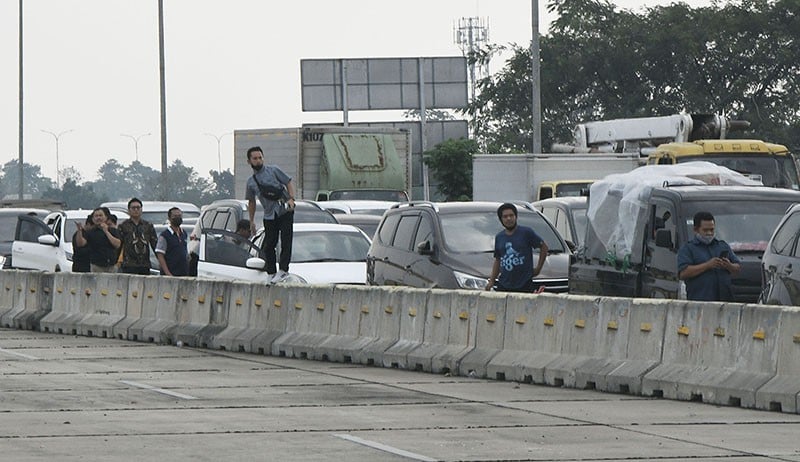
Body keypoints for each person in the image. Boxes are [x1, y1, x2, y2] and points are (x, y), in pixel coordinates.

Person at [245, 146, 296, 283]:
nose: (258, 160)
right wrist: (251, 221)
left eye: (260, 157)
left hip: (284, 211)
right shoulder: (251, 182)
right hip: (269, 215)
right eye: (255, 158)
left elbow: (288, 181)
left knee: (286, 241)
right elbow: (251, 202)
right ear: (249, 161)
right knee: (269, 245)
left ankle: (283, 270)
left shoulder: (273, 170)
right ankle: (271, 272)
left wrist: (291, 198)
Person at [485, 203, 549, 293]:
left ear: (516, 217)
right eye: (505, 216)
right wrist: (491, 281)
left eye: (511, 215)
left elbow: (544, 247)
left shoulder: (526, 232)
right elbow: (498, 259)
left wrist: (538, 268)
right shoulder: (499, 237)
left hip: (524, 284)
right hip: (504, 284)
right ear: (501, 219)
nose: (509, 219)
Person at [678, 211, 741, 301]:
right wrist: (707, 265)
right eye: (705, 230)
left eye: (711, 230)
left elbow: (738, 268)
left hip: (724, 300)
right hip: (700, 301)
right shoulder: (688, 249)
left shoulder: (722, 246)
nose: (709, 233)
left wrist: (728, 265)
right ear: (696, 230)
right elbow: (683, 273)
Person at [74, 207, 122, 273]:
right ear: (93, 219)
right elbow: (80, 244)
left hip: (111, 265)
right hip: (96, 266)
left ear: (106, 217)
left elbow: (117, 244)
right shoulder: (90, 232)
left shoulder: (113, 230)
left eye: (100, 215)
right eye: (96, 216)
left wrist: (106, 232)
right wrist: (79, 231)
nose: (98, 218)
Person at [118, 197, 158, 275]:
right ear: (129, 210)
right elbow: (119, 245)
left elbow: (154, 244)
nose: (136, 210)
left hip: (144, 264)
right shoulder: (123, 226)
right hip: (129, 264)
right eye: (133, 208)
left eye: (138, 208)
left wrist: (160, 260)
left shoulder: (148, 225)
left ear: (141, 209)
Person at [156, 207, 189, 276]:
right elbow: (160, 255)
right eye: (175, 216)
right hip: (171, 273)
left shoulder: (184, 233)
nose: (178, 218)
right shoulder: (164, 235)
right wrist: (167, 273)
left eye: (179, 216)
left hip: (183, 273)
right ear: (169, 218)